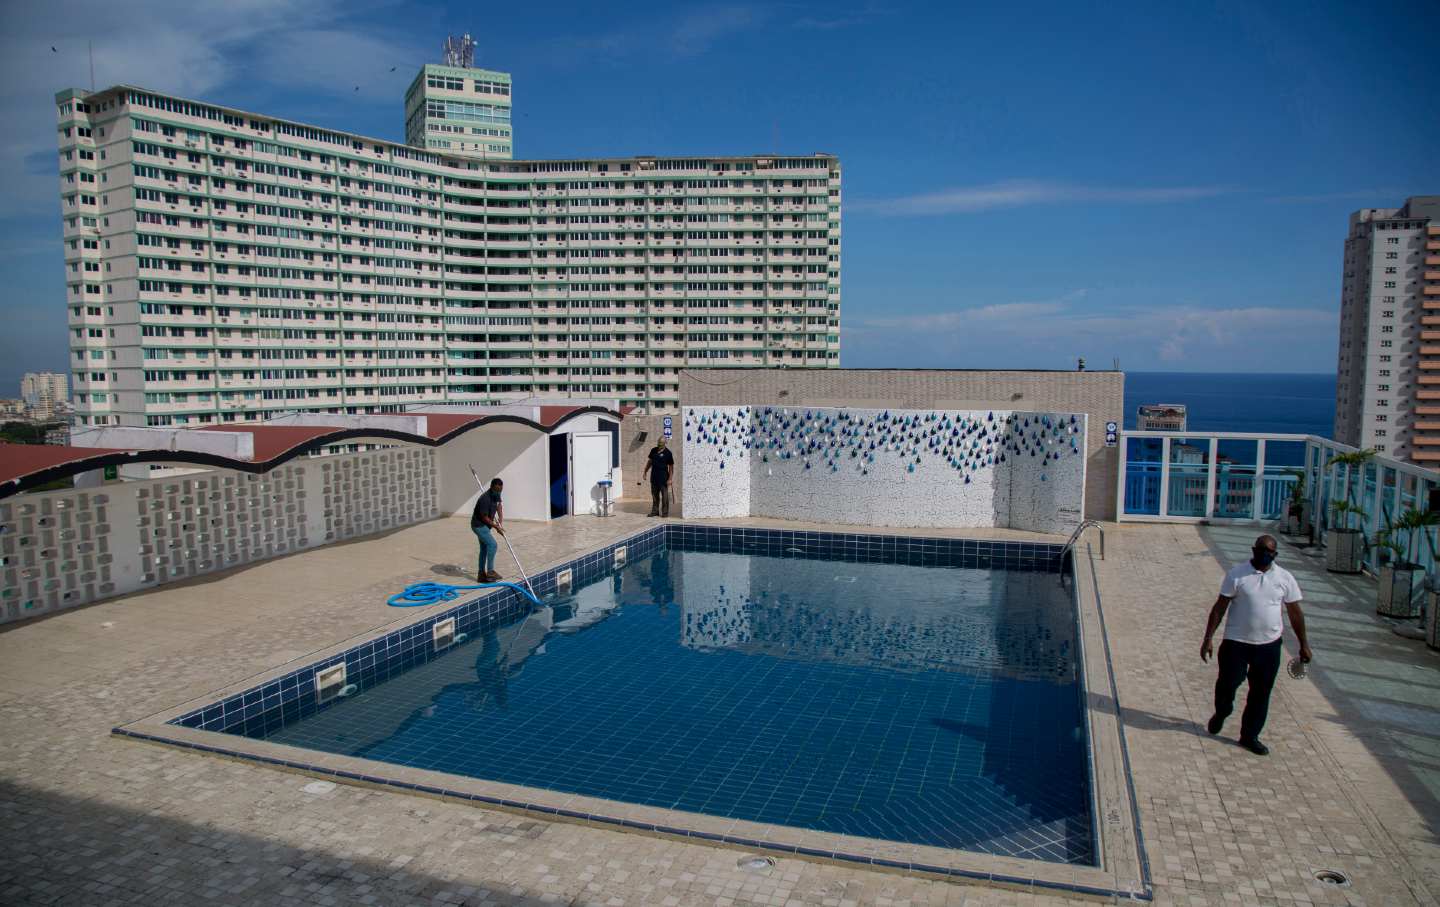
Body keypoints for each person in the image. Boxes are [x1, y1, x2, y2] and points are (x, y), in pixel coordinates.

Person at [1200, 534, 1313, 756]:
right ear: (1253, 550)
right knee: (1228, 683)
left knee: (1261, 692)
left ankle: (1249, 735)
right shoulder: (1236, 574)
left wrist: (1304, 644)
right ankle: (1222, 711)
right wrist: (1208, 638)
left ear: (1275, 554)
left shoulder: (1285, 578)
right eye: (1261, 550)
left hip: (1268, 646)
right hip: (1236, 643)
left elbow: (1295, 613)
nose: (1265, 554)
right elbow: (1219, 607)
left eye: (1269, 551)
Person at [471, 477, 505, 582]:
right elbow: (484, 518)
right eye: (497, 490)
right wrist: (496, 527)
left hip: (485, 525)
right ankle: (490, 571)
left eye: (500, 490)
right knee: (492, 545)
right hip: (479, 526)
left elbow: (499, 505)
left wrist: (500, 519)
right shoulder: (484, 499)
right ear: (491, 487)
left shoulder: (497, 493)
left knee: (484, 549)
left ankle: (481, 575)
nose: (499, 492)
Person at [641, 437, 674, 517]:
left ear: (665, 443)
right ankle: (655, 511)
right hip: (654, 477)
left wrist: (670, 479)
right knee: (655, 496)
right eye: (658, 443)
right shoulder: (653, 450)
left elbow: (671, 467)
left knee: (665, 497)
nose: (659, 445)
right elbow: (650, 462)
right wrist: (645, 471)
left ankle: (665, 513)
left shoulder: (668, 453)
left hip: (663, 479)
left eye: (661, 444)